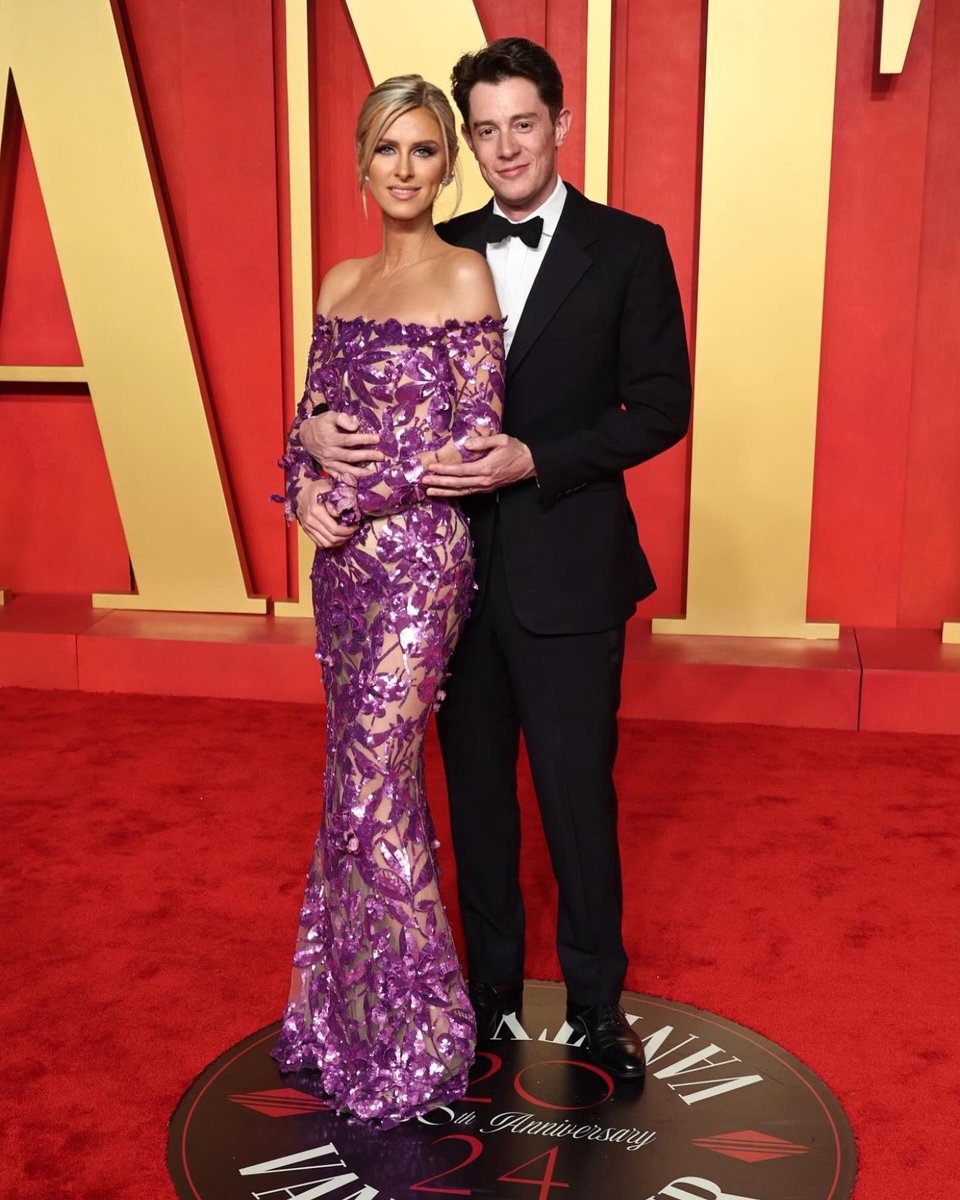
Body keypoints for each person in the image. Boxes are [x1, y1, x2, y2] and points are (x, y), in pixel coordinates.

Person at [301, 38, 690, 1082]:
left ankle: (598, 1007)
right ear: (462, 143)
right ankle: (486, 996)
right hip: (447, 577)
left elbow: (662, 407)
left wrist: (537, 455)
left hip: (568, 568)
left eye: (525, 122)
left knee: (575, 793)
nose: (505, 144)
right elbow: (351, 399)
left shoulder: (630, 247)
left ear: (562, 125)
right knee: (474, 798)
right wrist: (315, 446)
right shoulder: (439, 242)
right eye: (485, 129)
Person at [272, 74, 504, 1125]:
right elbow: (307, 419)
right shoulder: (337, 282)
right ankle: (340, 1017)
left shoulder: (466, 280)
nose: (404, 169)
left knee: (375, 784)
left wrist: (348, 491)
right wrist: (306, 475)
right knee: (352, 788)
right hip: (344, 575)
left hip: (419, 563)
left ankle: (421, 1039)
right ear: (359, 164)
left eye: (423, 150)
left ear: (445, 162)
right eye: (386, 151)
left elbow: (469, 450)